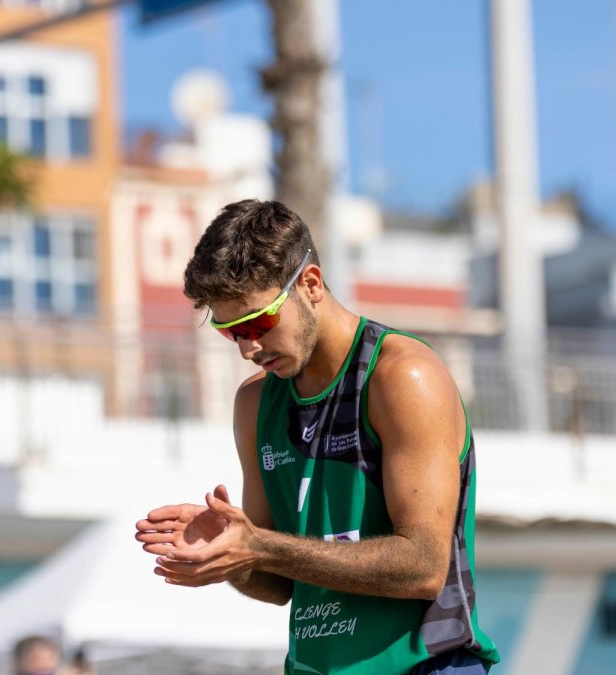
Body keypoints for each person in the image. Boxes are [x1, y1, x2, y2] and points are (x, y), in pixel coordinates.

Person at [134, 200, 500, 674]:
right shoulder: (255, 404)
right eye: (230, 332)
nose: (248, 348)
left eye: (257, 322)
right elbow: (278, 584)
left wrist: (262, 546)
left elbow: (424, 567)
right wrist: (232, 555)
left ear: (310, 284)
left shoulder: (402, 376)